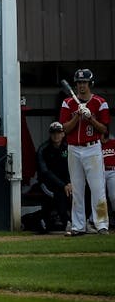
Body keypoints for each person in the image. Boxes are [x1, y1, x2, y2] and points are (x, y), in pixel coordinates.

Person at [59, 68, 109, 235]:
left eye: (84, 82)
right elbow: (64, 129)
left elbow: (104, 129)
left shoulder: (100, 102)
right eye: (79, 83)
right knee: (77, 189)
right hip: (74, 148)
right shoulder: (68, 103)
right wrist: (77, 116)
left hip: (92, 148)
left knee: (98, 189)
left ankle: (102, 225)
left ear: (90, 83)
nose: (81, 86)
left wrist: (90, 117)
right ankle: (78, 226)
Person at [24, 122, 71, 233]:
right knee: (59, 195)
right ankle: (67, 222)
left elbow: (72, 167)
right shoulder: (43, 149)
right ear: (50, 134)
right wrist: (63, 185)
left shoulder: (68, 148)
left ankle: (80, 221)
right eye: (53, 133)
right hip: (47, 184)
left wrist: (69, 183)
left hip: (66, 183)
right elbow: (45, 172)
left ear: (63, 134)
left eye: (59, 133)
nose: (56, 135)